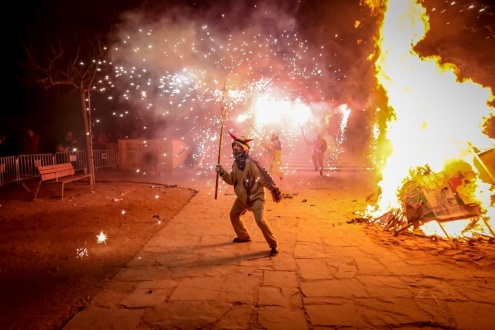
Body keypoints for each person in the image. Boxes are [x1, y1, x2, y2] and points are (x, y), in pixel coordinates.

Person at [215, 131, 282, 256]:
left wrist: (273, 188)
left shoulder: (251, 162)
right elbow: (232, 180)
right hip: (242, 199)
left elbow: (262, 178)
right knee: (233, 215)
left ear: (244, 148)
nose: (235, 148)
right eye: (234, 145)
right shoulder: (235, 163)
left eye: (238, 146)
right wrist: (222, 172)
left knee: (260, 221)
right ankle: (244, 236)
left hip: (256, 198)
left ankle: (273, 245)